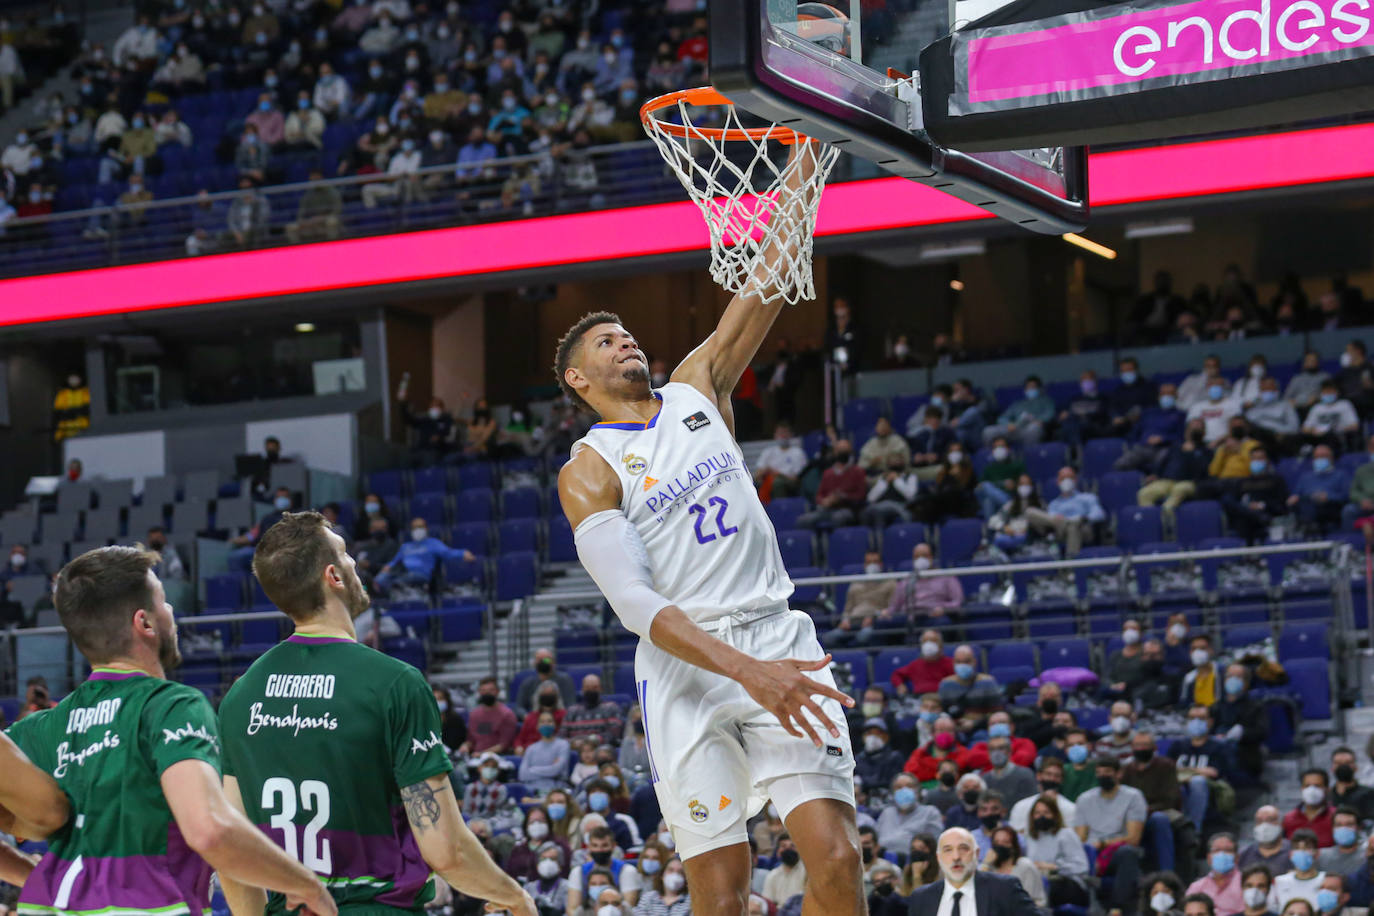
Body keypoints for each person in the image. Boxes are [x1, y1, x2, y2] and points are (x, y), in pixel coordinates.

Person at [555, 148, 863, 916]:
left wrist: (810, 150)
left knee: (836, 857)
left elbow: (768, 275)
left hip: (774, 636)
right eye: (605, 341)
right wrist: (743, 673)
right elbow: (633, 604)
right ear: (577, 380)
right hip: (686, 672)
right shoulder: (590, 470)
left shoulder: (698, 387)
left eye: (626, 333)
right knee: (721, 898)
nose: (625, 341)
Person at [217, 515, 534, 913]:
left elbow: (229, 846)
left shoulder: (240, 695)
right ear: (332, 575)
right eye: (346, 554)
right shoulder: (395, 683)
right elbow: (445, 850)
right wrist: (513, 897)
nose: (354, 563)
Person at [5, 546, 339, 916]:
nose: (172, 614)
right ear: (144, 622)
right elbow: (210, 830)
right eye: (164, 602)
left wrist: (31, 875)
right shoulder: (171, 706)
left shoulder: (35, 731)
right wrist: (305, 884)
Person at [905, 826, 1039, 916]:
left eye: (963, 848)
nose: (956, 857)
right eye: (948, 850)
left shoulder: (1004, 888)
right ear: (938, 858)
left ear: (977, 853)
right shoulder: (921, 897)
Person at [1075, 755, 1149, 915]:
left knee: (1128, 852)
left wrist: (1103, 844)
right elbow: (1080, 838)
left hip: (1118, 852)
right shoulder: (1084, 799)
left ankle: (1119, 909)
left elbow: (1133, 838)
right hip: (1091, 852)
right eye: (1099, 772)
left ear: (1118, 774)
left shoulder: (1133, 797)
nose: (1103, 776)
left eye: (1107, 772)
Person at [1022, 794, 1090, 907]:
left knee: (1047, 888)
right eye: (1037, 813)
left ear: (1055, 815)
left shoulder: (1066, 834)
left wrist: (1054, 867)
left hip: (1068, 884)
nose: (1041, 816)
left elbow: (1081, 867)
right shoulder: (1030, 839)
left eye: (1046, 812)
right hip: (1039, 884)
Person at [374, 517, 473, 594]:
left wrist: (463, 553)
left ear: (426, 528)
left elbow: (448, 553)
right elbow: (395, 561)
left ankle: (395, 593)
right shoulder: (406, 547)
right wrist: (388, 566)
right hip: (401, 572)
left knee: (397, 581)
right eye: (415, 528)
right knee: (380, 579)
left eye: (420, 527)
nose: (417, 530)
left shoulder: (433, 543)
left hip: (420, 574)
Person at [1024, 466, 1104, 557]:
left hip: (1082, 529)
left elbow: (1099, 514)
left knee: (1073, 526)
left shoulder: (1087, 497)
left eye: (1070, 478)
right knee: (1029, 512)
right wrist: (1062, 520)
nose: (1066, 481)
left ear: (1075, 480)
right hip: (1059, 531)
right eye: (1063, 478)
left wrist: (1081, 518)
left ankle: (1070, 566)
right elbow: (1052, 520)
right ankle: (1068, 523)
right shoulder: (1054, 504)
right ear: (1058, 481)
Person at [824, 551, 897, 648]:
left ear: (881, 564)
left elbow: (892, 609)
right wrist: (845, 620)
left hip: (873, 624)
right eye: (869, 562)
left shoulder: (890, 583)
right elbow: (847, 609)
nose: (872, 565)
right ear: (865, 565)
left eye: (875, 562)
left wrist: (874, 617)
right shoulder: (856, 583)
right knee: (828, 638)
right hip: (851, 623)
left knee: (863, 637)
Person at [797, 437, 868, 528]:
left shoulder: (858, 471)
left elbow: (861, 495)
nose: (842, 453)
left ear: (851, 452)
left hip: (848, 509)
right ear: (835, 452)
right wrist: (824, 501)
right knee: (803, 520)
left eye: (845, 450)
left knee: (838, 517)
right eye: (840, 450)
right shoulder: (828, 473)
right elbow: (819, 495)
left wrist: (841, 497)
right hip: (828, 509)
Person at [886, 546, 964, 627]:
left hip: (934, 615)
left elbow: (957, 601)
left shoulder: (946, 577)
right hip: (910, 617)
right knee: (883, 623)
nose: (920, 559)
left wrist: (944, 608)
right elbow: (894, 606)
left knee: (943, 623)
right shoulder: (906, 580)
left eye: (924, 556)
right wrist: (887, 612)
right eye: (917, 557)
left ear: (932, 557)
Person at [1287, 445, 1350, 534]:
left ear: (1331, 458)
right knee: (1304, 504)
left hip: (1330, 506)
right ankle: (1310, 528)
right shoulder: (1305, 477)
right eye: (1317, 457)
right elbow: (1296, 494)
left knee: (1315, 507)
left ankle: (1310, 529)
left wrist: (1329, 497)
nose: (1320, 459)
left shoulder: (1341, 475)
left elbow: (1346, 496)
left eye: (1324, 456)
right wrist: (1293, 498)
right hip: (1307, 504)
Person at [981, 825, 1047, 909]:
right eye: (997, 843)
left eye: (1005, 842)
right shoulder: (991, 868)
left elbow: (1032, 901)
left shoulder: (1025, 865)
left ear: (1014, 846)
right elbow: (979, 892)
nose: (1000, 846)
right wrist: (986, 863)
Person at [875, 773, 942, 853]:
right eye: (898, 787)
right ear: (893, 792)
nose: (904, 790)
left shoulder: (930, 813)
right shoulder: (887, 813)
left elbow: (934, 845)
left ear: (917, 790)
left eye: (909, 786)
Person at [983, 376, 1054, 446]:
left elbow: (1050, 414)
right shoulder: (1018, 404)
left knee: (1033, 428)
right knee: (988, 431)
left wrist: (1039, 420)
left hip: (1030, 428)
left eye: (1033, 387)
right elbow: (1002, 418)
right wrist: (1008, 424)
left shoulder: (1046, 401)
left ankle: (1030, 454)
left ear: (1039, 388)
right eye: (1028, 387)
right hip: (1015, 428)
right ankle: (990, 456)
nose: (1030, 389)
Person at [1009, 759, 1076, 831]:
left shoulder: (1071, 808)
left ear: (1062, 780)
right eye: (1048, 774)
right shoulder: (1021, 806)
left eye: (1057, 776)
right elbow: (1016, 835)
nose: (1052, 779)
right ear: (1038, 776)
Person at [1187, 833, 1245, 915]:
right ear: (1208, 858)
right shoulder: (1196, 887)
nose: (1222, 854)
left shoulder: (1247, 884)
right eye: (1216, 850)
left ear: (1237, 857)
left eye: (1228, 850)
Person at [562, 673, 625, 748]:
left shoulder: (611, 708)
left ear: (601, 689)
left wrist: (593, 741)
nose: (591, 690)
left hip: (601, 751)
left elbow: (614, 735)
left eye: (594, 688)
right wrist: (573, 743)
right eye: (587, 688)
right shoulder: (571, 711)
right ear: (582, 689)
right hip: (576, 750)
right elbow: (561, 737)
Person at [1271, 830, 1324, 911]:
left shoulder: (1326, 881)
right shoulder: (1279, 882)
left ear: (1317, 853)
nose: (1301, 852)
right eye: (1297, 848)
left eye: (1307, 848)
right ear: (1291, 854)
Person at [890, 630, 955, 696]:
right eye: (925, 641)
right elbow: (896, 674)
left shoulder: (950, 663)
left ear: (940, 644)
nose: (929, 644)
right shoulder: (915, 665)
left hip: (942, 698)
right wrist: (900, 685)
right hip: (919, 699)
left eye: (933, 641)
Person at [467, 675, 520, 755]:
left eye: (491, 690)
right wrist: (465, 746)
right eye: (483, 690)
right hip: (475, 756)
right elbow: (471, 740)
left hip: (498, 757)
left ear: (498, 691)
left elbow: (504, 745)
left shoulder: (507, 715)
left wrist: (482, 754)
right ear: (479, 692)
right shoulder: (474, 714)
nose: (487, 693)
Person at [754, 421, 807, 500]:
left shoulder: (798, 453)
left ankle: (779, 508)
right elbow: (756, 475)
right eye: (780, 433)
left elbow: (796, 479)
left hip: (789, 483)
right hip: (768, 482)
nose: (783, 436)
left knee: (777, 483)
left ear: (791, 435)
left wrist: (777, 473)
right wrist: (766, 471)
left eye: (785, 433)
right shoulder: (768, 452)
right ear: (775, 435)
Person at [1285, 771, 1336, 846]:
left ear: (1327, 789)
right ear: (1302, 788)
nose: (1312, 790)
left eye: (1317, 786)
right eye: (1307, 786)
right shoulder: (1288, 819)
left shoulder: (1336, 816)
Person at [1240, 806, 1294, 875]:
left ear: (1281, 824)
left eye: (1270, 820)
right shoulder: (1245, 854)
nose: (1264, 825)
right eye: (1259, 821)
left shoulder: (1293, 852)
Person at [762, 833, 807, 906]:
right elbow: (768, 904)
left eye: (793, 846)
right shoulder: (772, 875)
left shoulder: (808, 872)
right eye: (783, 846)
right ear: (778, 852)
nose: (788, 849)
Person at [1331, 748, 1374, 823]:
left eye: (1348, 763)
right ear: (1332, 767)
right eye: (1338, 763)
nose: (1343, 767)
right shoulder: (1326, 796)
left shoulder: (1369, 794)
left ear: (1355, 767)